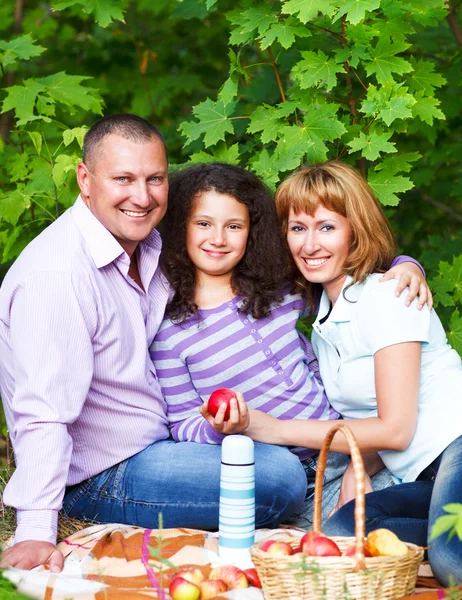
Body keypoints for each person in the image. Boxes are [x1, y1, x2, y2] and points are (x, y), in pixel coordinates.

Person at [0, 115, 307, 572]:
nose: (141, 197)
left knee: (268, 462)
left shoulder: (150, 244)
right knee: (278, 477)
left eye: (155, 179)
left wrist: (401, 266)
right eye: (123, 179)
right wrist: (35, 531)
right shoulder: (57, 278)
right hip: (104, 473)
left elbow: (263, 258)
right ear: (85, 179)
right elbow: (42, 410)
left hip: (165, 441)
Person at [151, 162, 431, 524]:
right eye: (203, 223)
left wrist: (408, 265)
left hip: (352, 454)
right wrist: (217, 428)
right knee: (347, 541)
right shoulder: (170, 332)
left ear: (251, 232)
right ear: (180, 228)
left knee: (422, 520)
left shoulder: (280, 289)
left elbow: (348, 264)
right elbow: (182, 423)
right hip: (284, 479)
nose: (218, 238)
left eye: (233, 226)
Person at [241, 160, 462, 585]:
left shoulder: (388, 297)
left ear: (356, 231)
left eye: (327, 227)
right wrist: (357, 464)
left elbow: (395, 429)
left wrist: (272, 428)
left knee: (457, 562)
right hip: (425, 471)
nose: (310, 244)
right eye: (298, 228)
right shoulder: (324, 323)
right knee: (341, 533)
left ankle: (451, 548)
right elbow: (378, 422)